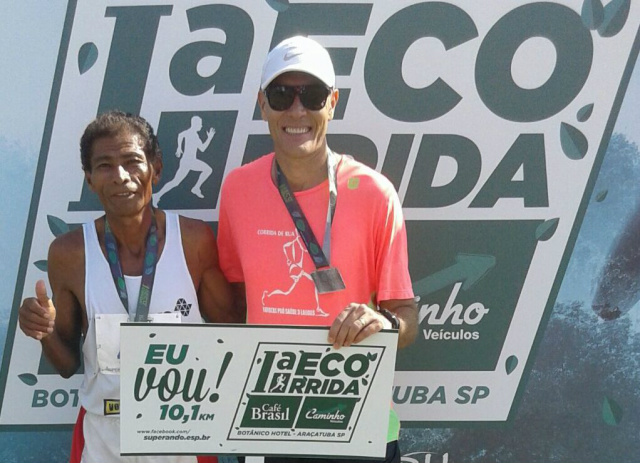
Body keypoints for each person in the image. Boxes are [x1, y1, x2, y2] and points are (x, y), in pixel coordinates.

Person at [217, 36, 418, 463]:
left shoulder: (375, 193)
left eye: (311, 95)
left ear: (332, 103)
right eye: (281, 94)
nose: (296, 110)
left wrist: (382, 322)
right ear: (262, 104)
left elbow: (408, 320)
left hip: (357, 422)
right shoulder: (237, 189)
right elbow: (232, 305)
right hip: (266, 422)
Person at [18, 111, 239, 463]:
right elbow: (66, 364)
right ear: (89, 179)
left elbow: (233, 331)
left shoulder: (193, 240)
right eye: (104, 166)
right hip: (105, 438)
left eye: (132, 161)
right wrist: (43, 332)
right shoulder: (71, 253)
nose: (121, 177)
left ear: (156, 168)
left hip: (181, 435)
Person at [154, 115, 216, 203]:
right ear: (195, 124)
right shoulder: (192, 134)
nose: (201, 126)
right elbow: (202, 148)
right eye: (200, 124)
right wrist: (209, 138)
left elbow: (181, 135)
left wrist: (179, 147)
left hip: (190, 161)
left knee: (207, 170)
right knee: (176, 182)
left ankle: (196, 188)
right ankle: (157, 195)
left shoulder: (191, 133)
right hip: (188, 161)